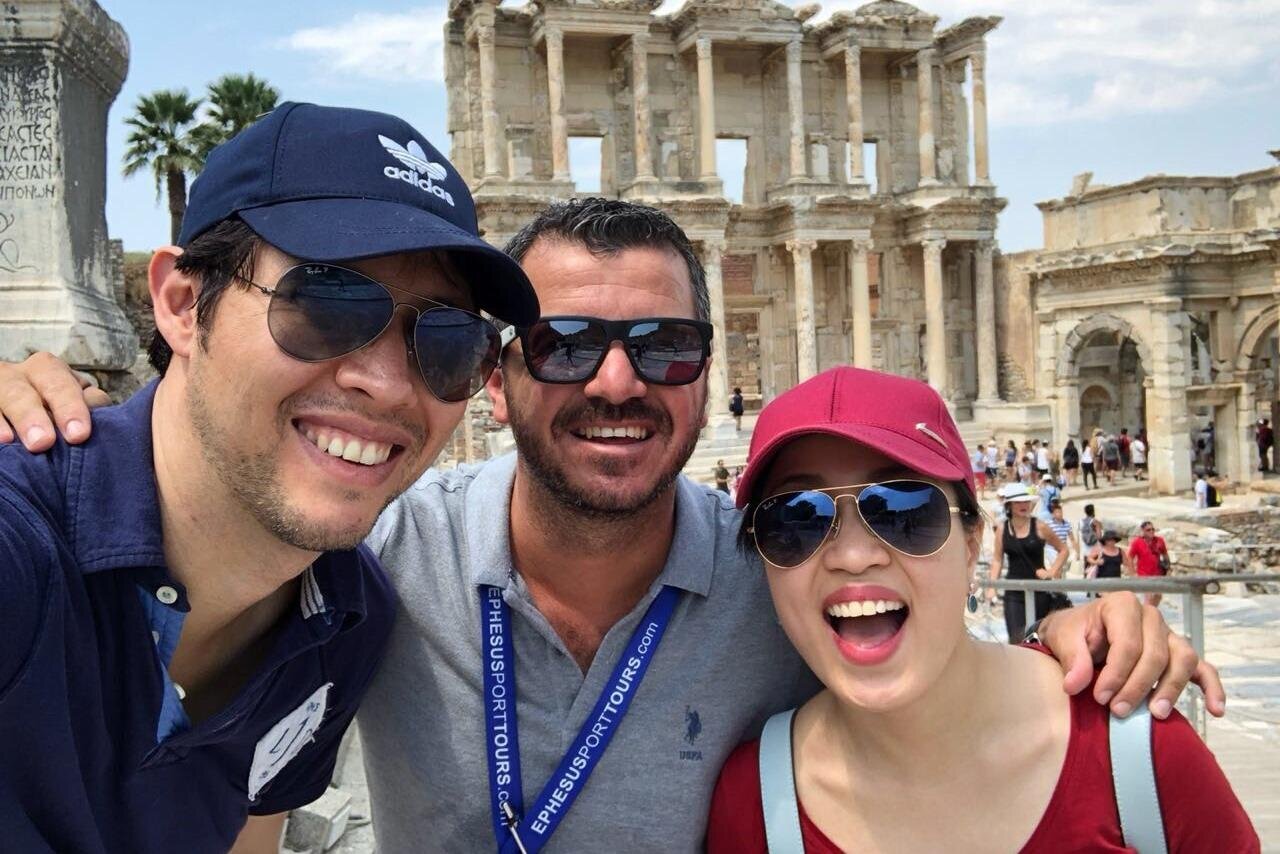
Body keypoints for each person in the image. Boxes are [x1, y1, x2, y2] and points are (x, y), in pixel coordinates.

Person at [0, 201, 1223, 852]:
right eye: (565, 344)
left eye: (666, 346)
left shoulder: (779, 567)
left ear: (705, 373)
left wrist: (1082, 636)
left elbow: (910, 638)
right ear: (494, 377)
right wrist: (50, 411)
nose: (618, 381)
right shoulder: (375, 554)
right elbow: (218, 503)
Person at [0, 103, 540, 851]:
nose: (388, 384)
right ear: (183, 304)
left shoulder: (347, 621)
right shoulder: (20, 551)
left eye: (449, 341)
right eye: (327, 303)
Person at [706, 368, 1258, 853]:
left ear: (972, 542)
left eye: (903, 509)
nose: (853, 556)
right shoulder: (752, 805)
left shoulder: (1140, 753)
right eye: (796, 519)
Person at [989, 482, 1070, 643]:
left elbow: (1063, 550)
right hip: (1014, 591)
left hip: (1040, 589)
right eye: (1018, 502)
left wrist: (1051, 572)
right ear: (1009, 505)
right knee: (1016, 638)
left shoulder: (1040, 526)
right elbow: (997, 560)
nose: (1023, 505)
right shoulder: (1002, 529)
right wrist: (992, 587)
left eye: (1026, 501)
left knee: (1037, 639)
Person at [1129, 520, 1172, 608]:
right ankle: (1147, 613)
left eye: (1153, 529)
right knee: (1149, 598)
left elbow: (1165, 554)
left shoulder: (1159, 540)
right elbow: (1130, 557)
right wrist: (1132, 573)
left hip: (1158, 574)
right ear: (1143, 531)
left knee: (1158, 596)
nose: (1151, 531)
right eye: (1148, 530)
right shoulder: (1137, 542)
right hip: (1144, 575)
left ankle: (1150, 612)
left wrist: (1168, 568)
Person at [1044, 501, 1076, 576]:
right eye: (1057, 512)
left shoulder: (1067, 523)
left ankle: (1059, 581)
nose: (1060, 514)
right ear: (1053, 514)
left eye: (1061, 512)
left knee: (1061, 570)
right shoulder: (1048, 523)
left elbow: (1072, 539)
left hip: (1062, 550)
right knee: (1057, 569)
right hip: (1051, 550)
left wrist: (1077, 552)